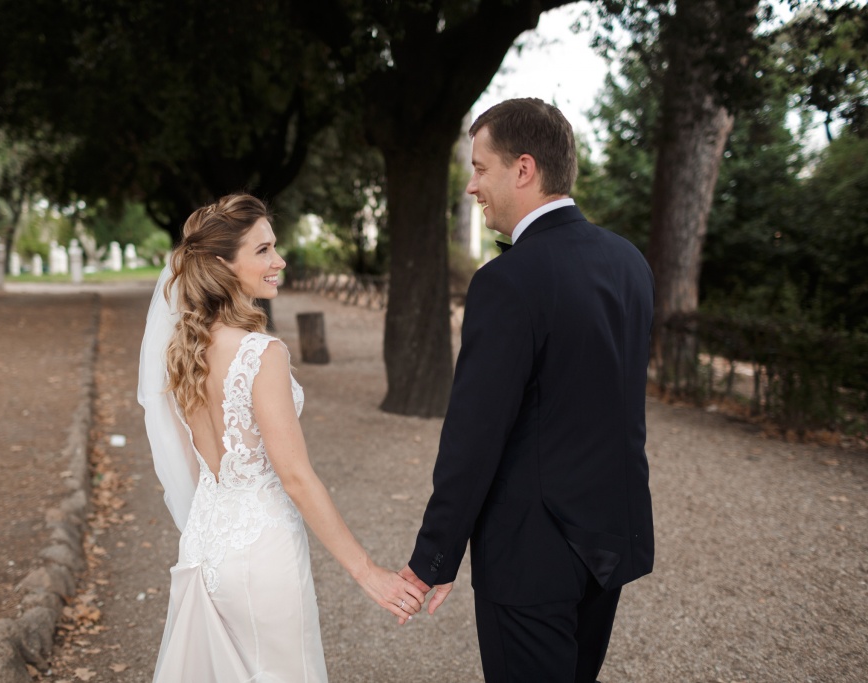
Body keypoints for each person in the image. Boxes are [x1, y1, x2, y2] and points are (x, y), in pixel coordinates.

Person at [399, 98, 656, 682]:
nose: (472, 186)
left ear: (523, 169)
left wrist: (434, 557)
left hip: (531, 552)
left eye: (480, 168)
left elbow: (474, 437)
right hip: (611, 538)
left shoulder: (506, 282)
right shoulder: (630, 263)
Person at [138, 194, 424, 682]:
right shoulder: (260, 353)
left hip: (205, 547)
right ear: (223, 266)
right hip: (261, 552)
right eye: (263, 250)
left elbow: (192, 463)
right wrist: (367, 571)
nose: (280, 261)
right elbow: (295, 477)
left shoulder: (185, 351)